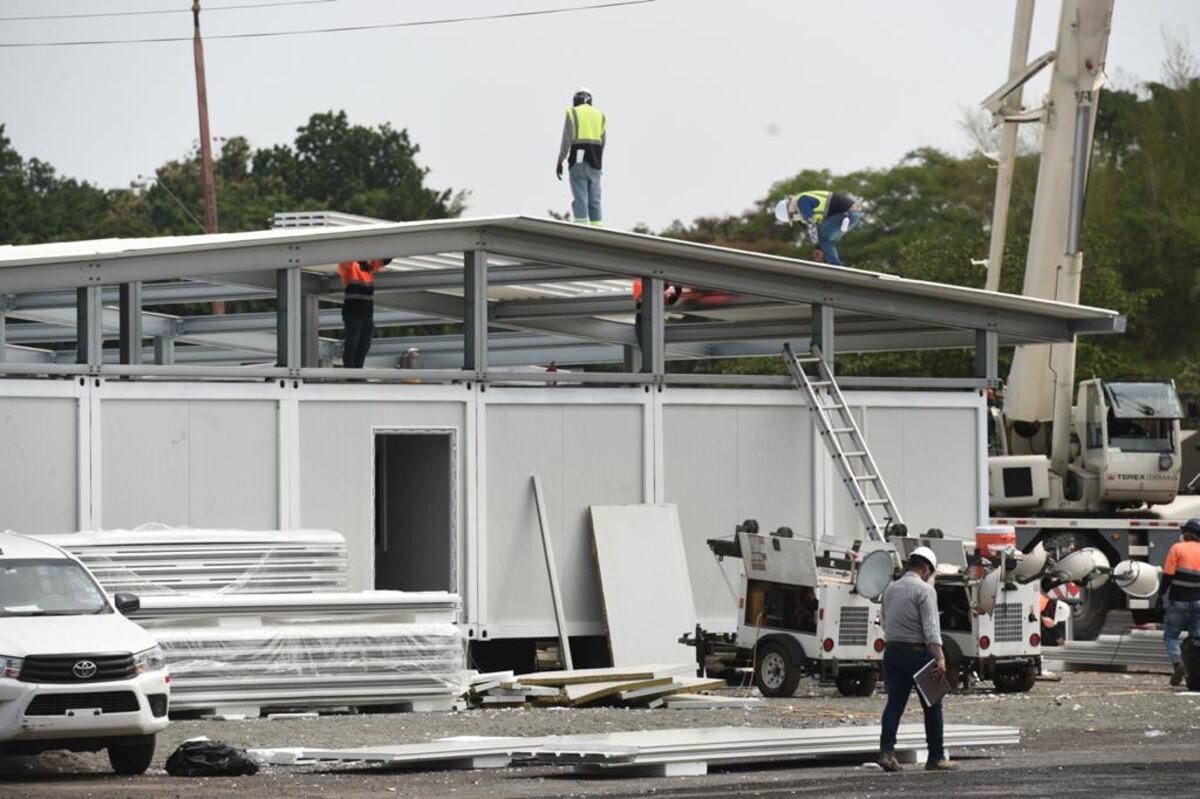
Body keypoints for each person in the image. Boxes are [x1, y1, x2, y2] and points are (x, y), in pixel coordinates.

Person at [877, 546, 957, 772]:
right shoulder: (925, 590)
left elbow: (883, 621)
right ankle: (936, 757)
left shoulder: (890, 588)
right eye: (929, 573)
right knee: (933, 705)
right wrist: (939, 657)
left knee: (894, 704)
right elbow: (931, 627)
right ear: (925, 568)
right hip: (918, 653)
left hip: (893, 652)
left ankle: (887, 753)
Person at [556, 88, 606, 226]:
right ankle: (598, 229)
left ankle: (582, 229)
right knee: (595, 199)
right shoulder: (600, 115)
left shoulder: (573, 113)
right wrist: (597, 159)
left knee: (580, 197)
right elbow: (603, 143)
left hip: (578, 162)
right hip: (596, 163)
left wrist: (561, 159)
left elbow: (566, 139)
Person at [773, 190, 863, 266]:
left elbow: (811, 224)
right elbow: (811, 230)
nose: (794, 218)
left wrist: (818, 245)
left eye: (791, 216)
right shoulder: (801, 215)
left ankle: (836, 266)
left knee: (824, 239)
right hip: (853, 215)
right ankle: (833, 264)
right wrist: (819, 247)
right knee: (828, 241)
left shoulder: (802, 201)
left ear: (790, 207)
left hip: (846, 214)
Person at [1161, 518, 1200, 686]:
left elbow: (1168, 575)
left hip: (1178, 601)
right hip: (1198, 602)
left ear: (1187, 533)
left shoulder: (1177, 548)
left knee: (1170, 635)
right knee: (1196, 639)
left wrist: (1160, 595)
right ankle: (1194, 676)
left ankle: (1178, 663)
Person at [337, 257, 391, 369]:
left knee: (364, 346)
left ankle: (357, 372)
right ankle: (351, 374)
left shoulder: (368, 268)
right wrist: (362, 260)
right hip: (353, 312)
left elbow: (384, 260)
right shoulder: (349, 266)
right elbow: (349, 257)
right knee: (352, 345)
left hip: (366, 313)